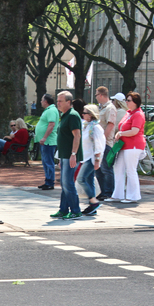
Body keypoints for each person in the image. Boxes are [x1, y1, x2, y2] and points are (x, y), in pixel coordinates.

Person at [107, 91, 146, 203]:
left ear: (135, 102)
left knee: (131, 170)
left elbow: (135, 130)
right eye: (126, 100)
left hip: (134, 145)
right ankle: (117, 194)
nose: (126, 102)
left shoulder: (138, 114)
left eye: (129, 100)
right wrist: (120, 134)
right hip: (124, 145)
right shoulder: (129, 113)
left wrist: (121, 133)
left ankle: (133, 196)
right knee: (118, 168)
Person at [51, 91, 83, 220]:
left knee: (68, 183)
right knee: (64, 183)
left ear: (68, 102)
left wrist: (73, 154)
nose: (57, 103)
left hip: (71, 155)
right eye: (57, 101)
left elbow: (77, 136)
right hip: (65, 155)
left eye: (60, 101)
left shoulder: (73, 115)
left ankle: (76, 210)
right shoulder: (64, 115)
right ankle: (63, 209)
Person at [77, 105, 106, 216]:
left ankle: (93, 201)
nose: (83, 115)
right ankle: (92, 205)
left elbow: (98, 144)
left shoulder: (95, 127)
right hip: (86, 156)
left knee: (81, 179)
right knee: (89, 180)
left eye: (85, 113)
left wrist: (97, 160)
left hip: (91, 158)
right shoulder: (86, 126)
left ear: (91, 114)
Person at [95, 86, 117, 200]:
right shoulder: (102, 108)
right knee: (98, 168)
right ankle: (102, 191)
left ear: (102, 95)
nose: (96, 97)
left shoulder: (110, 108)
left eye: (96, 95)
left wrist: (102, 139)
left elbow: (110, 124)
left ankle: (108, 192)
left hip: (106, 143)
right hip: (99, 143)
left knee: (106, 169)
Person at [35, 93, 59, 190]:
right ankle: (47, 180)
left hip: (48, 141)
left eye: (42, 100)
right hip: (45, 141)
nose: (41, 102)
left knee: (48, 162)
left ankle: (50, 182)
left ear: (46, 101)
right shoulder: (48, 110)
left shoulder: (51, 111)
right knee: (45, 162)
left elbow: (51, 124)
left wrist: (44, 137)